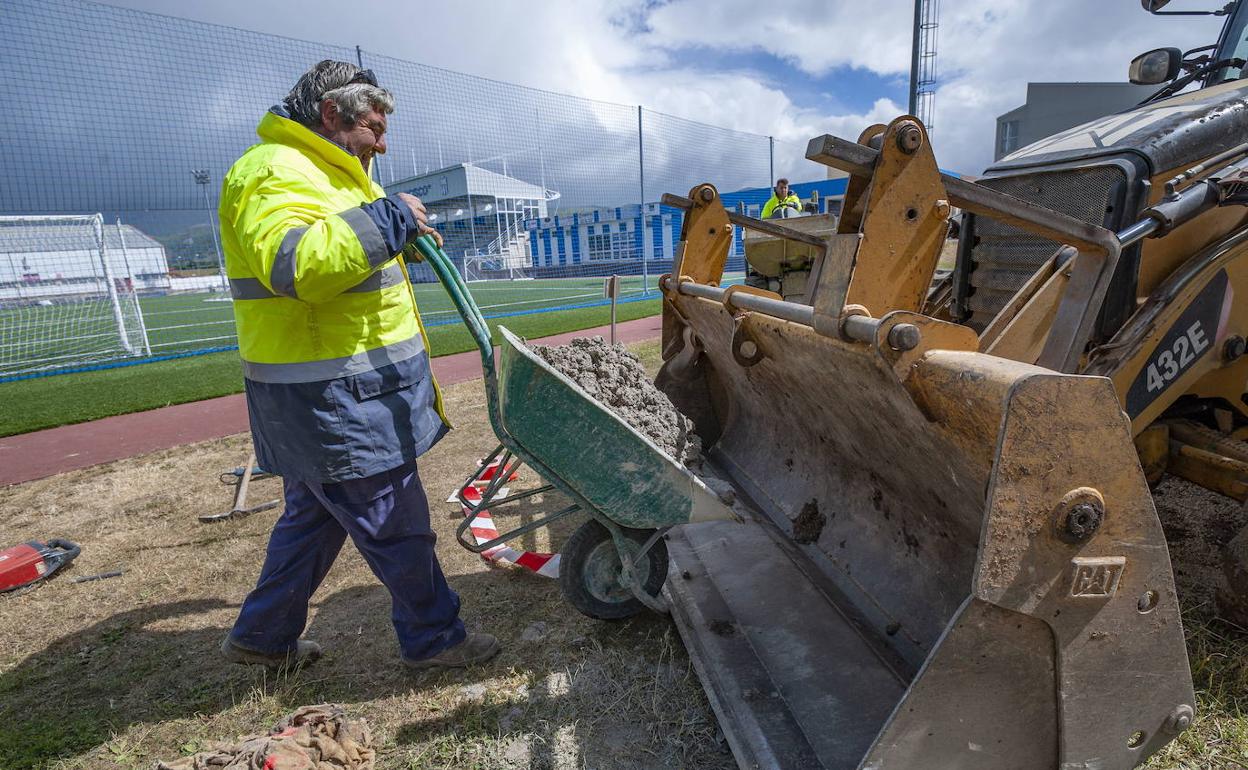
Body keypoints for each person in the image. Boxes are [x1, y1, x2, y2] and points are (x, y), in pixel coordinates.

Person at [216, 60, 499, 671]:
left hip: (333, 390)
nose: (382, 140)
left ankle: (262, 638)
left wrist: (395, 234)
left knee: (312, 521)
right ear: (330, 115)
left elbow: (348, 258)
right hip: (334, 395)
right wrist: (388, 219)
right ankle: (435, 641)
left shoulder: (334, 176)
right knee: (398, 525)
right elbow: (296, 265)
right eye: (373, 126)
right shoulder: (274, 170)